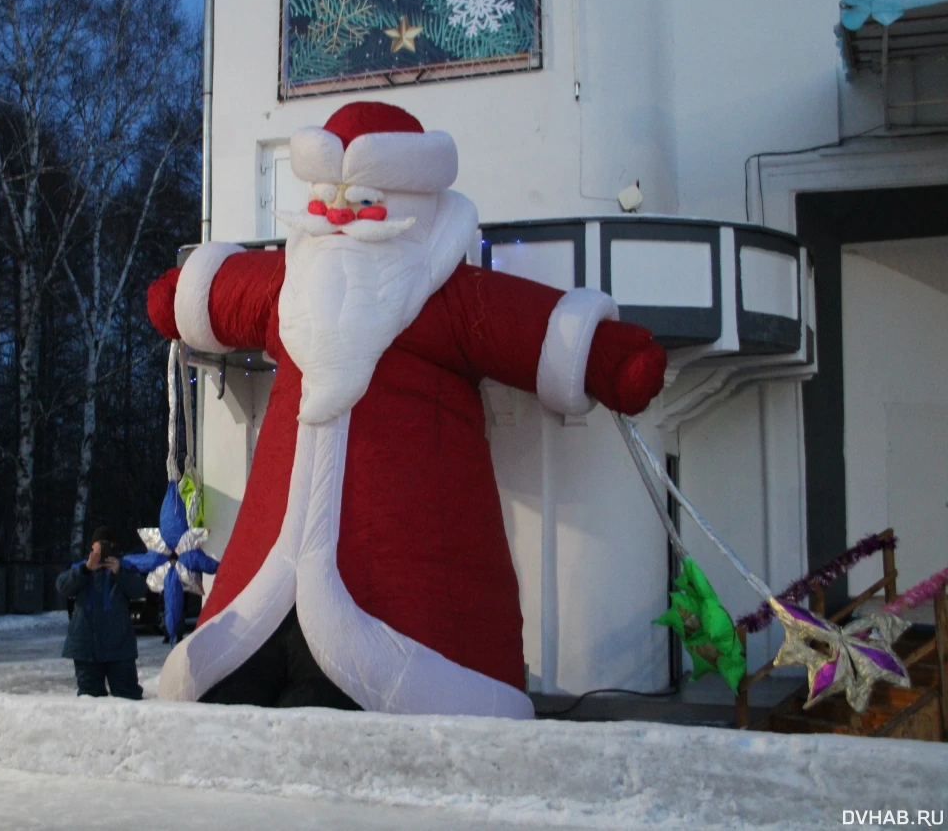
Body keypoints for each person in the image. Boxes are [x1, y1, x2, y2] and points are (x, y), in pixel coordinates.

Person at [145, 101, 668, 719]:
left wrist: (606, 356)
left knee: (378, 678)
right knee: (228, 680)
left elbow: (526, 326)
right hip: (264, 575)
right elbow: (215, 293)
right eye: (328, 197)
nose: (339, 213)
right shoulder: (292, 280)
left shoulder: (444, 294)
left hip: (408, 587)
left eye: (362, 199)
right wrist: (187, 296)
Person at [56, 527, 146, 699]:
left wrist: (119, 573)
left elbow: (140, 590)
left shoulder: (125, 567)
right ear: (92, 548)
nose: (103, 551)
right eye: (99, 546)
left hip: (119, 647)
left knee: (128, 698)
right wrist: (86, 569)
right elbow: (61, 587)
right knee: (90, 700)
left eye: (107, 546)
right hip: (86, 647)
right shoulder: (81, 568)